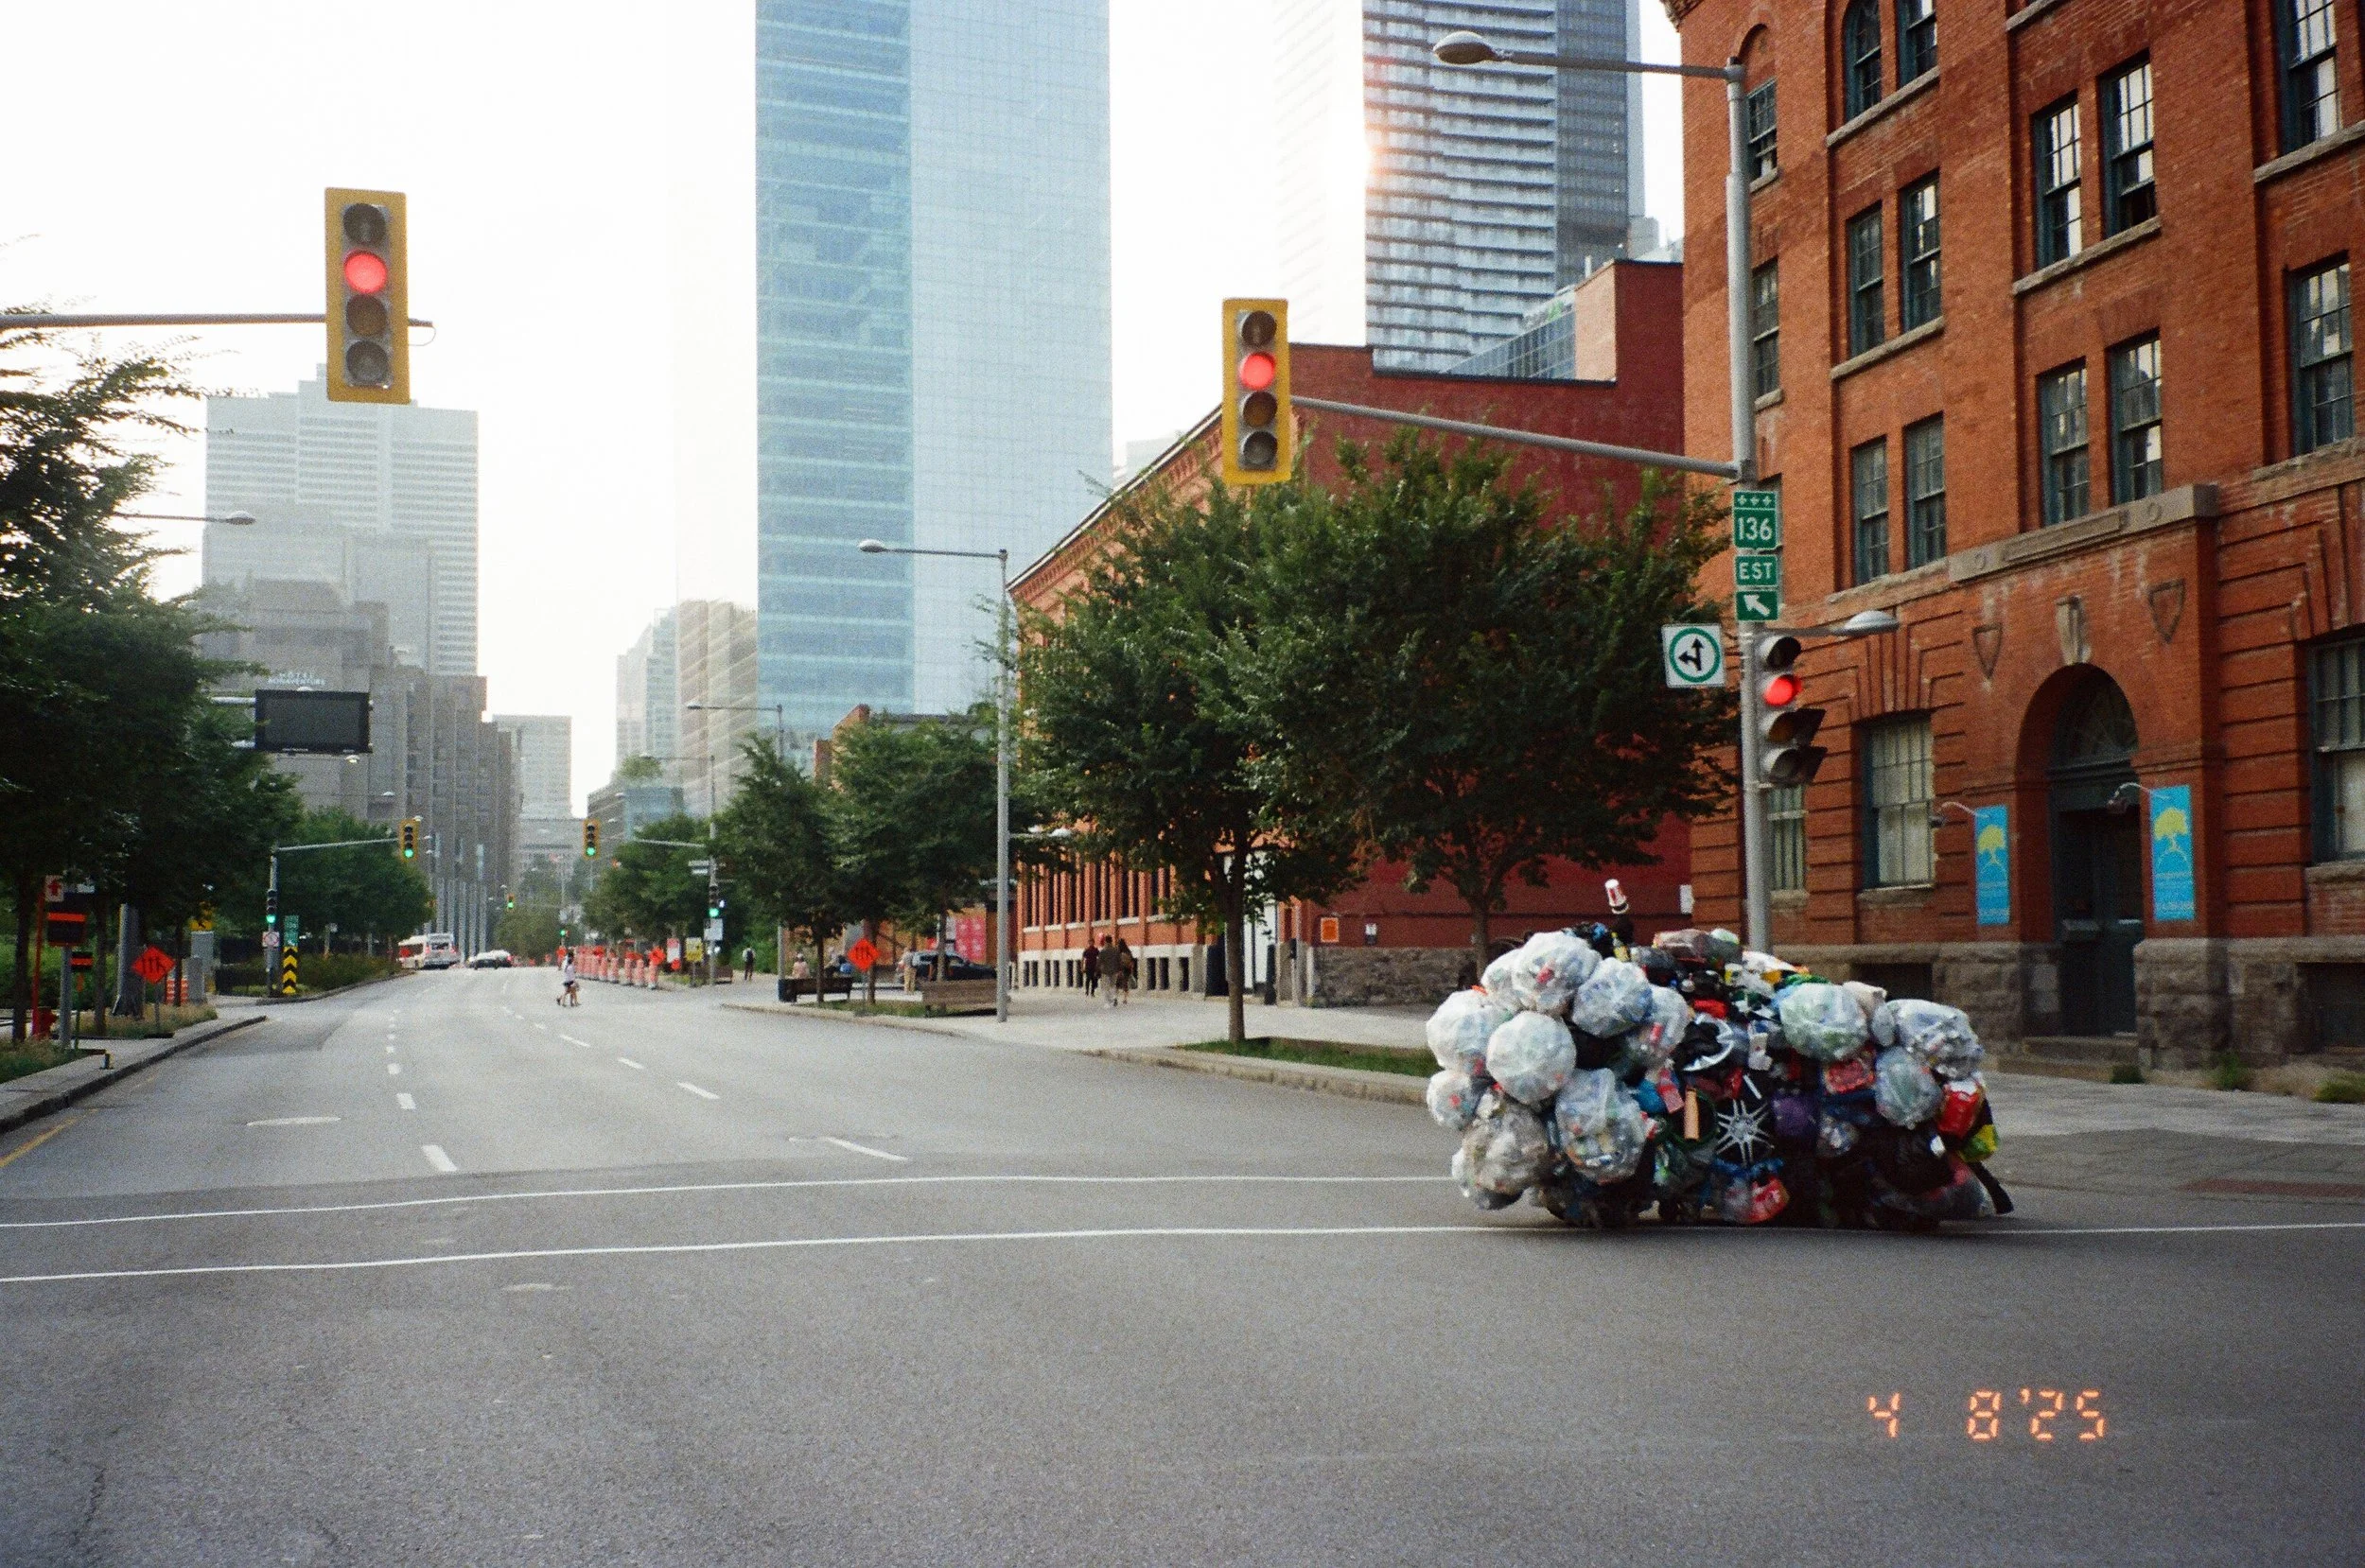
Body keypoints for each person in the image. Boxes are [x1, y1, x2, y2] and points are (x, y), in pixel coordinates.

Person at [1097, 934, 1119, 1008]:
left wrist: (1097, 970)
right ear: (1111, 941)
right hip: (1114, 970)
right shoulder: (1116, 950)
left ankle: (1107, 1003)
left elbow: (1099, 962)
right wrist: (1119, 970)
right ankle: (1114, 997)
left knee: (1106, 987)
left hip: (1105, 971)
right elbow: (1119, 961)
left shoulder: (1103, 951)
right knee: (1113, 985)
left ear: (1106, 941)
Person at [1113, 937, 1136, 1006]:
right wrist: (1131, 970)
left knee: (1117, 985)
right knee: (1125, 984)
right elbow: (1132, 962)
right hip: (1127, 970)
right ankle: (1125, 999)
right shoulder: (1128, 951)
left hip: (1120, 970)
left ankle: (1115, 998)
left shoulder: (1118, 951)